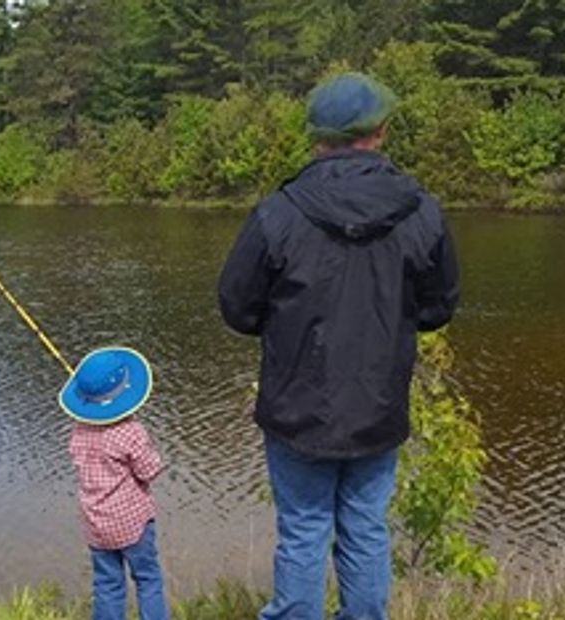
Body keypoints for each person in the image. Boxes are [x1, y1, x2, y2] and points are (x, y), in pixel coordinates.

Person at [217, 72, 460, 620]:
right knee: (366, 528)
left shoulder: (277, 213)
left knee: (304, 532)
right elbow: (439, 306)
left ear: (315, 136)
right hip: (377, 407)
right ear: (381, 131)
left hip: (297, 409)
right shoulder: (421, 211)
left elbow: (237, 307)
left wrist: (286, 329)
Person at [62, 347, 168, 620]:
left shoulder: (78, 433)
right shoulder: (131, 432)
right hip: (133, 523)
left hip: (96, 524)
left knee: (107, 584)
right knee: (148, 579)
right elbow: (148, 471)